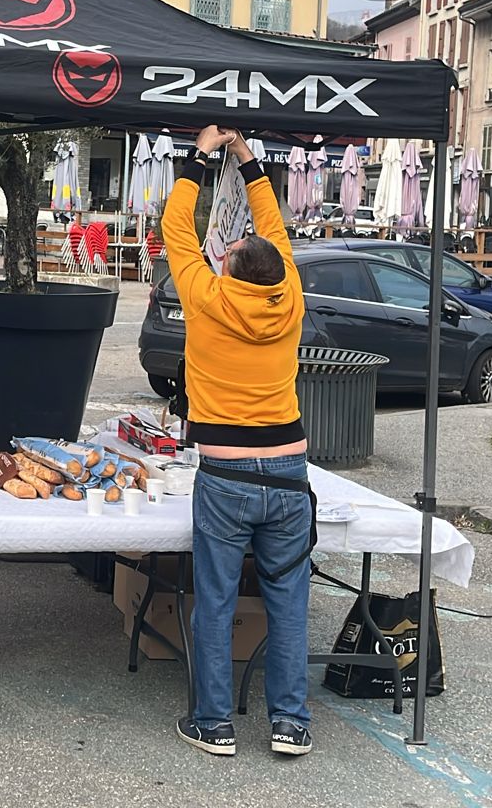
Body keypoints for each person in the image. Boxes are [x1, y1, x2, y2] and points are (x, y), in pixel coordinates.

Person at [161, 125, 315, 760]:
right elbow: (273, 231)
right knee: (288, 602)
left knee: (217, 600)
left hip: (224, 474)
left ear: (227, 264)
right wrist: (249, 162)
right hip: (287, 469)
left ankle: (215, 724)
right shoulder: (291, 297)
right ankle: (290, 724)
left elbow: (177, 229)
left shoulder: (206, 297)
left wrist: (200, 158)